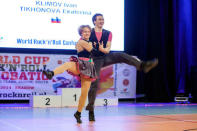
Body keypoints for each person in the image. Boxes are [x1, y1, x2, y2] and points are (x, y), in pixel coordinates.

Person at [83, 13, 158, 121]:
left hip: (105, 56)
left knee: (121, 55)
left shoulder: (108, 33)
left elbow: (108, 48)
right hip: (93, 60)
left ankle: (143, 65)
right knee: (95, 82)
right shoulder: (89, 32)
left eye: (102, 19)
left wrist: (101, 49)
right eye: (99, 19)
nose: (101, 21)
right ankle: (91, 109)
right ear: (94, 21)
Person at [43, 25, 98, 124]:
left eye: (88, 31)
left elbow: (95, 53)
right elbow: (94, 51)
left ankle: (78, 113)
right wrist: (101, 48)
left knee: (84, 94)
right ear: (81, 33)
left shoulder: (88, 42)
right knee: (68, 64)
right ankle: (51, 73)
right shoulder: (81, 41)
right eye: (84, 31)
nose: (86, 33)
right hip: (80, 65)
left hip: (88, 68)